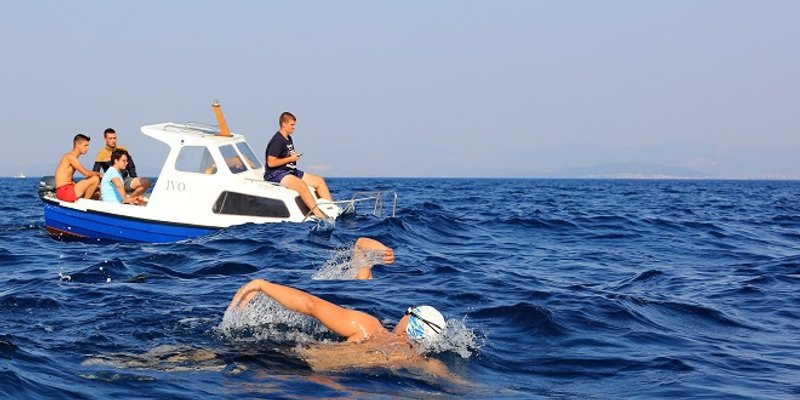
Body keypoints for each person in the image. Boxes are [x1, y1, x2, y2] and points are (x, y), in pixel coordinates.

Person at [264, 112, 333, 219]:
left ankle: (331, 209)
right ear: (284, 124)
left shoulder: (288, 138)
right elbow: (271, 162)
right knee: (301, 185)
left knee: (319, 181)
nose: (294, 128)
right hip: (276, 174)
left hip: (291, 171)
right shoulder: (277, 140)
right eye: (292, 125)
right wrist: (290, 159)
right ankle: (319, 216)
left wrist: (293, 158)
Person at [93, 128, 151, 198]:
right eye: (110, 138)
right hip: (111, 183)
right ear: (105, 139)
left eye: (114, 138)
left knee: (146, 182)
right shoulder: (101, 154)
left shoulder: (123, 150)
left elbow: (131, 166)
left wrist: (134, 179)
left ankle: (130, 199)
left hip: (124, 180)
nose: (113, 141)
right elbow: (95, 172)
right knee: (95, 194)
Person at [54, 134, 102, 202]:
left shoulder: (73, 157)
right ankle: (84, 203)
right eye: (85, 145)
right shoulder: (70, 157)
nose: (88, 148)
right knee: (95, 179)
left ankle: (85, 205)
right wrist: (100, 174)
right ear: (77, 145)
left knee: (97, 193)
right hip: (64, 192)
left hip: (68, 189)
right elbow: (86, 173)